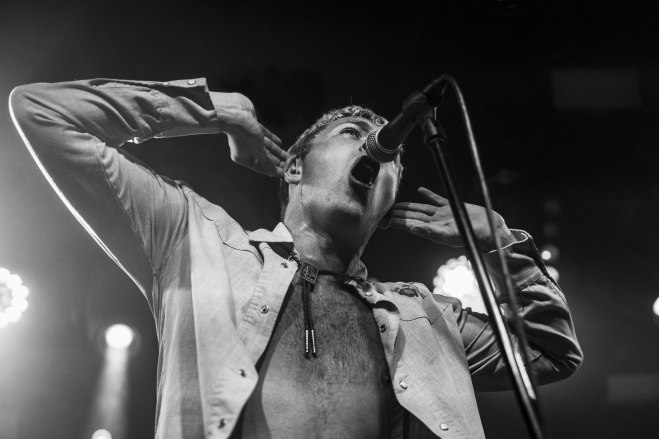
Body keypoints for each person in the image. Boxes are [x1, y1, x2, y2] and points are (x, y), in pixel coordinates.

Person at [9, 77, 582, 439]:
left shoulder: (425, 318)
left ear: (387, 204)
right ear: (292, 167)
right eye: (352, 132)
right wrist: (209, 110)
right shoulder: (194, 241)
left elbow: (550, 353)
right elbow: (42, 112)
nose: (377, 148)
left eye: (393, 159)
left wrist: (501, 243)